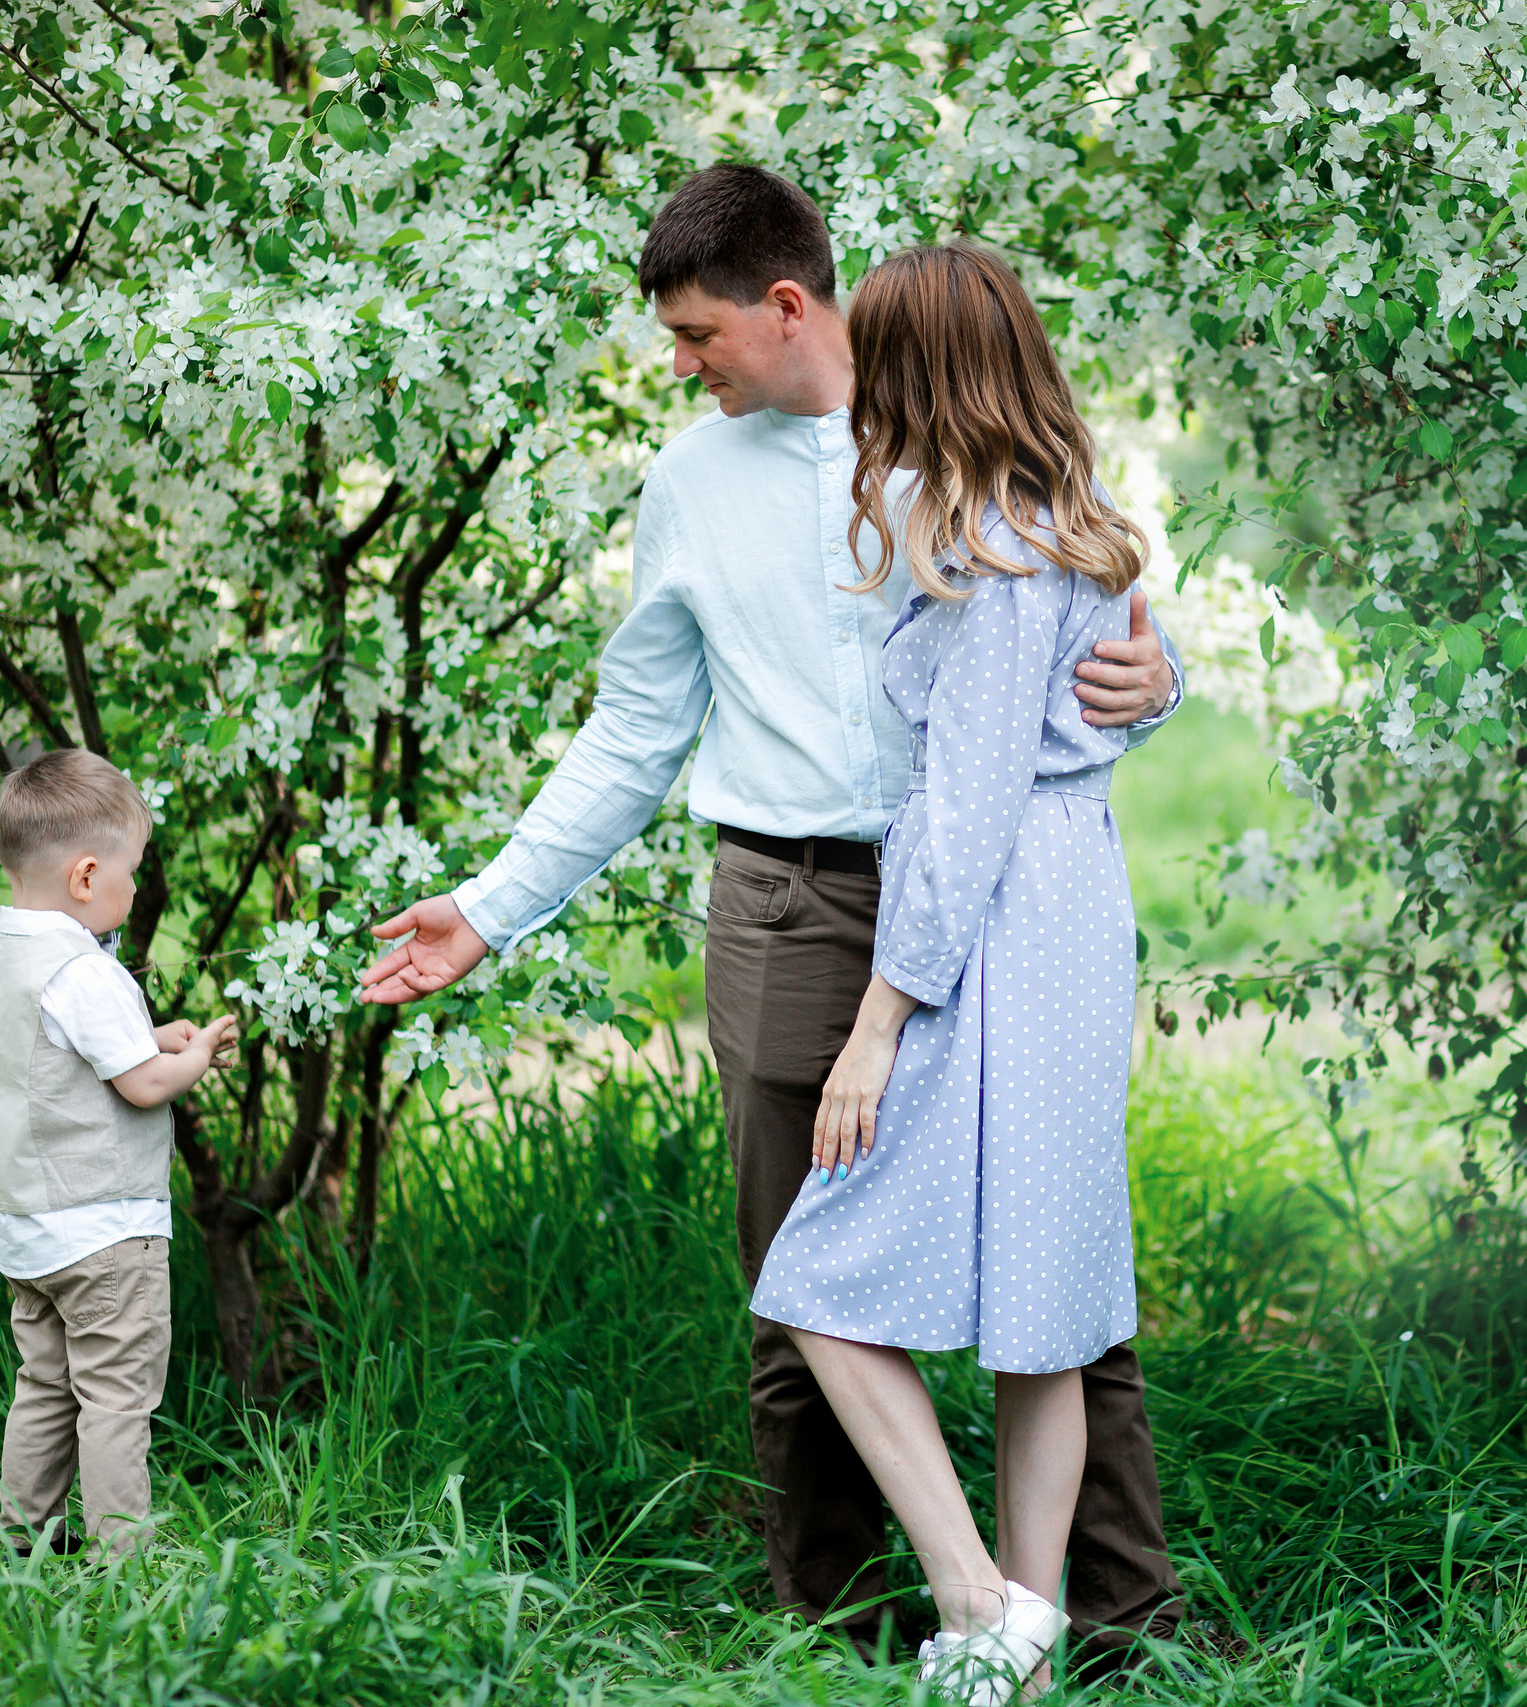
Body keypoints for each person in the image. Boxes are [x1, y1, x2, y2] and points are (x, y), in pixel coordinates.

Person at [355, 165, 1187, 1667]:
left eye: (696, 334)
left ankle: (1111, 1628)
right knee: (808, 1276)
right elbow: (633, 730)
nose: (682, 365)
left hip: (991, 911)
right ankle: (852, 1625)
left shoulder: (956, 417)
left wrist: (1161, 676)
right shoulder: (691, 485)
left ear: (786, 306)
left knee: (1055, 1272)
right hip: (797, 904)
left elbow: (1082, 620)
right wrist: (492, 908)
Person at [745, 240, 1149, 1705]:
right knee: (1043, 1308)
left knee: (820, 1280)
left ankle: (980, 1602)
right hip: (1074, 906)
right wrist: (1156, 697)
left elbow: (967, 810)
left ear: (923, 373)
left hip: (996, 927)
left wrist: (876, 1024)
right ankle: (1018, 1653)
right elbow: (1099, 707)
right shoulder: (1067, 519)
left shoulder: (989, 559)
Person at [0, 748, 237, 1558]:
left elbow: (62, 1056)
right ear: (86, 877)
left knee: (45, 1389)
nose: (135, 886)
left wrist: (150, 1037)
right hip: (108, 1236)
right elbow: (145, 1085)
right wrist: (196, 1052)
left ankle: (23, 1540)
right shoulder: (84, 969)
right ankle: (124, 1562)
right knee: (117, 1398)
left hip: (33, 1235)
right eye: (132, 870)